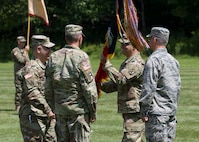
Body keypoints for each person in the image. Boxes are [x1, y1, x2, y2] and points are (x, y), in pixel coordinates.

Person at [45, 24, 98, 142]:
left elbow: (47, 88)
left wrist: (53, 108)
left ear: (66, 38)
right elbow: (89, 89)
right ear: (80, 38)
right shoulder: (81, 57)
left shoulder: (53, 57)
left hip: (60, 112)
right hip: (78, 112)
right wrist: (93, 111)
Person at [100, 35, 145, 142]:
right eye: (121, 44)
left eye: (126, 44)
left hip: (135, 110)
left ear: (135, 46)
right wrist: (98, 84)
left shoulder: (136, 63)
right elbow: (117, 85)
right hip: (129, 109)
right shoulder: (128, 62)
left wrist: (107, 65)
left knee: (131, 139)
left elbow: (121, 79)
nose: (122, 46)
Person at [139, 27, 181, 142]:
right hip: (170, 114)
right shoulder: (173, 60)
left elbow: (148, 88)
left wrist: (143, 111)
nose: (149, 41)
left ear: (155, 40)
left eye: (150, 39)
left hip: (157, 115)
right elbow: (177, 88)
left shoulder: (153, 60)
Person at [19, 35, 56, 142]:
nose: (50, 51)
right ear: (39, 49)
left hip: (46, 115)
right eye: (47, 48)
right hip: (33, 116)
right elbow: (32, 92)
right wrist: (48, 110)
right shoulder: (30, 68)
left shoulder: (47, 67)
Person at [11, 36, 29, 111]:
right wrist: (25, 53)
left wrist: (26, 53)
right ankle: (18, 105)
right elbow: (21, 60)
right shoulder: (16, 51)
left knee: (26, 88)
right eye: (22, 42)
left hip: (25, 72)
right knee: (19, 89)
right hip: (18, 72)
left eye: (24, 42)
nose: (24, 43)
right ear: (18, 42)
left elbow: (28, 61)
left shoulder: (24, 51)